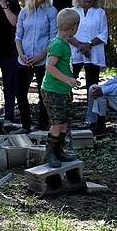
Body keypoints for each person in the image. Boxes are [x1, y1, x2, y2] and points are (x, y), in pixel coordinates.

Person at [14, 0, 58, 133]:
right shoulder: (24, 12)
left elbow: (53, 38)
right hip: (24, 59)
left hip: (42, 60)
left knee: (43, 94)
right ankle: (26, 125)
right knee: (20, 92)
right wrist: (22, 55)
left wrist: (40, 56)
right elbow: (18, 36)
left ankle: (42, 127)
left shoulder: (51, 12)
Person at [40, 9, 83, 166]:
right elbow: (50, 67)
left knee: (64, 122)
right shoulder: (57, 44)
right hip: (53, 91)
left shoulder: (65, 43)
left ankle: (59, 151)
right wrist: (68, 80)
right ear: (73, 28)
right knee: (57, 123)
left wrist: (69, 82)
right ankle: (49, 153)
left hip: (63, 90)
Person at [68, 0, 108, 89]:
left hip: (93, 52)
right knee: (68, 81)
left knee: (92, 85)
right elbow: (66, 33)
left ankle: (92, 106)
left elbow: (103, 34)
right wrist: (81, 47)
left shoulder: (100, 12)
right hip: (74, 52)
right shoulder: (71, 12)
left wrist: (89, 45)